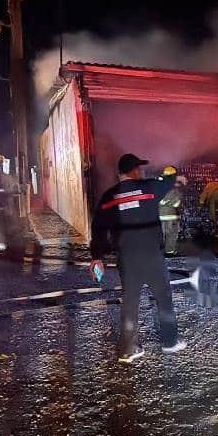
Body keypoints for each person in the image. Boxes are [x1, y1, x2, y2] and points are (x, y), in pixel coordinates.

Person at [89, 154, 188, 363]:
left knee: (130, 302)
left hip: (127, 258)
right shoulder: (149, 188)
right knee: (163, 298)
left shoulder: (109, 197)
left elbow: (98, 229)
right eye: (139, 169)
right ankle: (169, 342)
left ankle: (127, 349)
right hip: (152, 255)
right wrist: (175, 177)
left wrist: (96, 257)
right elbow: (168, 181)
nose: (141, 172)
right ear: (135, 171)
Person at [160, 173, 186, 255]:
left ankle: (159, 252)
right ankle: (170, 252)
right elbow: (176, 204)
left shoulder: (159, 189)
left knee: (161, 235)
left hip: (160, 216)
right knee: (171, 235)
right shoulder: (177, 191)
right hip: (172, 216)